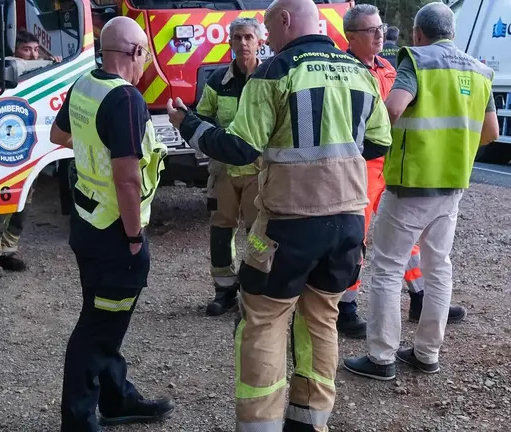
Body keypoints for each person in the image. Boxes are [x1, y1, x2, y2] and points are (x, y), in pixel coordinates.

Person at [167, 0, 392, 428]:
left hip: (287, 223)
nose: (266, 38)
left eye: (268, 28)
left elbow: (239, 147)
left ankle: (260, 424)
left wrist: (188, 124)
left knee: (264, 320)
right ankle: (310, 419)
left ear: (286, 20)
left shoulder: (274, 72)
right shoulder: (359, 71)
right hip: (347, 223)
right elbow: (379, 142)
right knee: (322, 319)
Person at [343, 2, 498, 380]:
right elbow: (491, 133)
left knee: (387, 268)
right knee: (438, 267)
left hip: (410, 184)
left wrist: (368, 139)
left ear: (417, 33)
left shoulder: (416, 60)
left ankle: (381, 358)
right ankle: (427, 354)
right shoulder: (480, 70)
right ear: (452, 33)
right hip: (452, 186)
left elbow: (394, 109)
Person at [49, 16, 174, 431]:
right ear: (136, 52)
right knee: (99, 327)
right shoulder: (125, 99)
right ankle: (78, 421)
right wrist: (134, 237)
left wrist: (94, 147)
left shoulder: (85, 84)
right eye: (145, 56)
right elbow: (127, 179)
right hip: (115, 234)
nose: (145, 65)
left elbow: (58, 136)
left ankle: (117, 399)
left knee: (103, 315)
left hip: (88, 221)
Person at [335, 5, 467, 339]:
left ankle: (420, 297)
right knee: (355, 237)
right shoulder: (341, 72)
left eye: (381, 28)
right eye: (370, 30)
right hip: (361, 164)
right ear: (351, 37)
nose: (379, 35)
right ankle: (345, 308)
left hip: (393, 163)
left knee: (407, 237)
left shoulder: (389, 68)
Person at [0, 30, 62, 279]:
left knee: (23, 204)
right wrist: (49, 63)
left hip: (27, 144)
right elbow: (19, 66)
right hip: (3, 144)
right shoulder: (5, 68)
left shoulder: (38, 72)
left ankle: (8, 250)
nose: (32, 55)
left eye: (36, 49)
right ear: (14, 50)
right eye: (26, 49)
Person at [196, 18, 266, 316]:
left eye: (249, 37)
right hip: (223, 170)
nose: (243, 43)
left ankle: (256, 291)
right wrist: (217, 141)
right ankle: (224, 290)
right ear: (230, 43)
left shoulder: (269, 78)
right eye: (237, 37)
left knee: (258, 233)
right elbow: (202, 117)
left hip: (257, 171)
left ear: (260, 41)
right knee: (221, 229)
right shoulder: (216, 81)